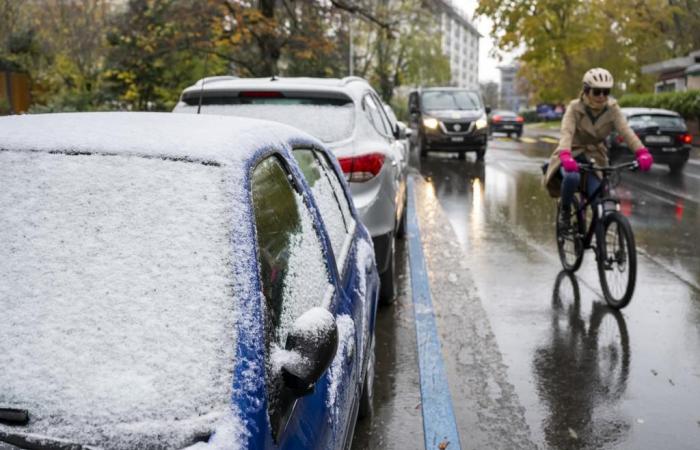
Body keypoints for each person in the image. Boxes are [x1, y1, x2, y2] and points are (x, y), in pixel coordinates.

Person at [543, 68, 653, 228]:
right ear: (586, 91)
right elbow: (566, 132)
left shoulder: (612, 108)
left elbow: (626, 131)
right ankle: (565, 212)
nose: (602, 96)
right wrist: (565, 155)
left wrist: (641, 152)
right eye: (597, 91)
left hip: (595, 156)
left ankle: (601, 244)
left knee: (598, 201)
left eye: (606, 91)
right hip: (571, 153)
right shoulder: (574, 108)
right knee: (572, 178)